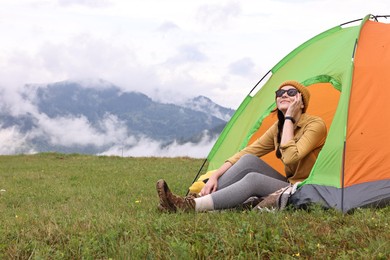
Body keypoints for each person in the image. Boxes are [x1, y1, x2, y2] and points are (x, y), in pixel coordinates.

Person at [156, 80, 327, 212]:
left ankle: (191, 207)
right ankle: (194, 200)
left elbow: (290, 157)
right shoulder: (278, 128)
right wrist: (215, 175)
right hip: (288, 182)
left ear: (301, 102)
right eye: (280, 92)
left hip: (305, 188)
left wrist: (289, 117)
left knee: (253, 179)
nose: (283, 95)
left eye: (291, 92)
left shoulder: (315, 125)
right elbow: (247, 151)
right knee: (248, 160)